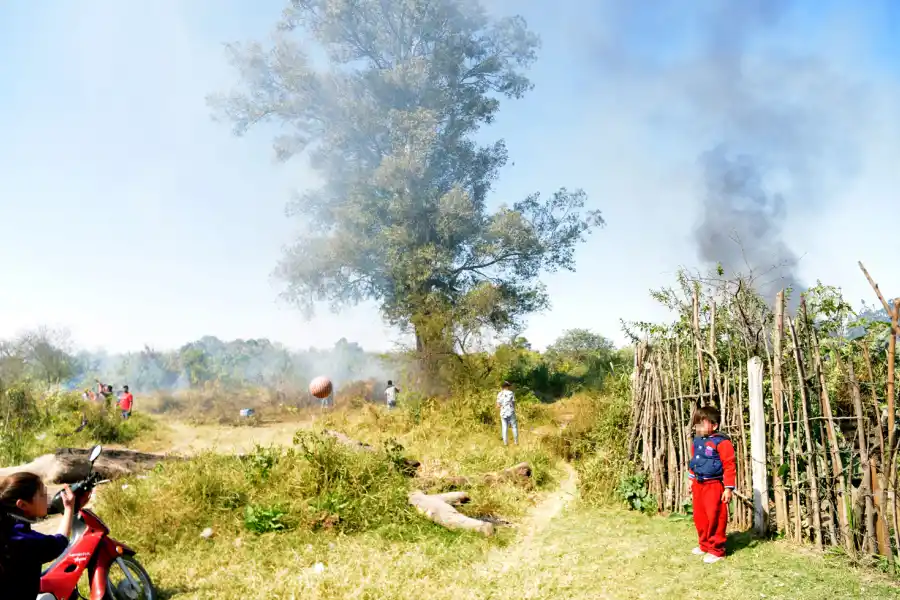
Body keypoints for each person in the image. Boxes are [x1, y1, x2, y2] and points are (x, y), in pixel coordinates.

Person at [0, 472, 76, 599]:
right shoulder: (25, 541)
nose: (47, 497)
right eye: (42, 495)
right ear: (22, 505)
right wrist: (69, 509)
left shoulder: (8, 529)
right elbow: (59, 542)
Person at [688, 405, 736, 563]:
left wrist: (728, 488)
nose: (698, 427)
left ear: (714, 426)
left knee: (715, 517)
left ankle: (716, 550)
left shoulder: (722, 442)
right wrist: (691, 479)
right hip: (698, 484)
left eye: (702, 424)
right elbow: (695, 461)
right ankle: (704, 545)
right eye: (697, 423)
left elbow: (729, 466)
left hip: (714, 485)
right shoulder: (697, 441)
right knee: (700, 517)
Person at [496, 381, 518, 446]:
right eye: (508, 386)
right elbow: (513, 402)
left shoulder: (499, 394)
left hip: (503, 412)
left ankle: (505, 443)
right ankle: (516, 442)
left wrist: (502, 406)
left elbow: (498, 405)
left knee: (504, 427)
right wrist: (513, 409)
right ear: (506, 386)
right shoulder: (511, 393)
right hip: (510, 411)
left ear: (502, 387)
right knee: (514, 427)